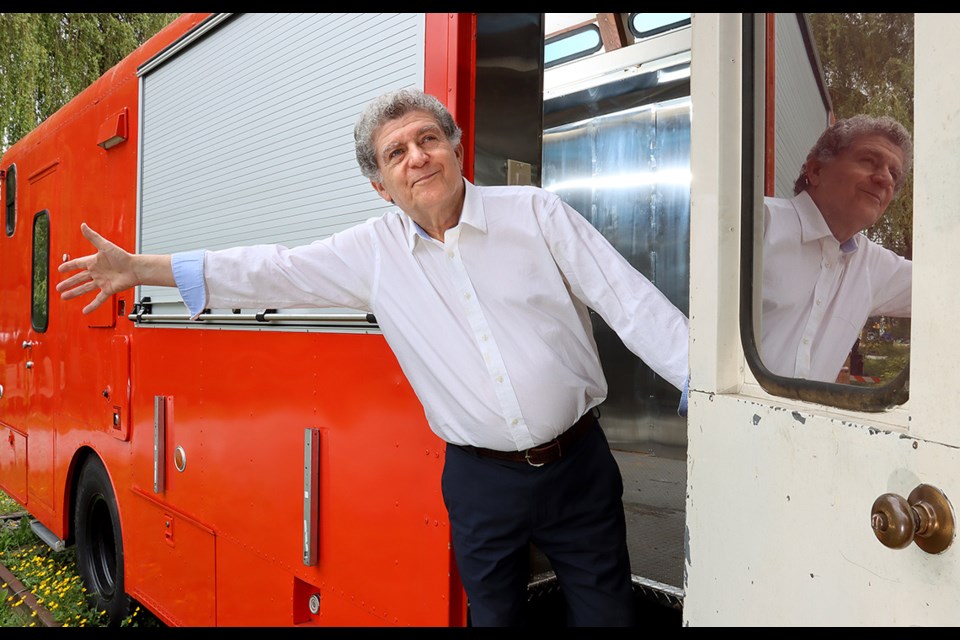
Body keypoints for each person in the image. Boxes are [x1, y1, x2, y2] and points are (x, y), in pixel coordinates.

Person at [57, 88, 689, 627]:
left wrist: (704, 384)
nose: (417, 157)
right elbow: (269, 270)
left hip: (578, 465)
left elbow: (629, 301)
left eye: (428, 139)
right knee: (494, 617)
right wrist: (142, 269)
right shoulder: (371, 253)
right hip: (481, 482)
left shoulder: (536, 215)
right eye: (397, 153)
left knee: (607, 614)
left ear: (456, 147)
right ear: (380, 185)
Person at [760, 114, 912, 383]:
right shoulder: (756, 222)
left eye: (894, 174)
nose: (885, 180)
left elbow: (948, 288)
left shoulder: (873, 266)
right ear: (816, 170)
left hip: (801, 426)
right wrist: (697, 378)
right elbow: (661, 292)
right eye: (869, 161)